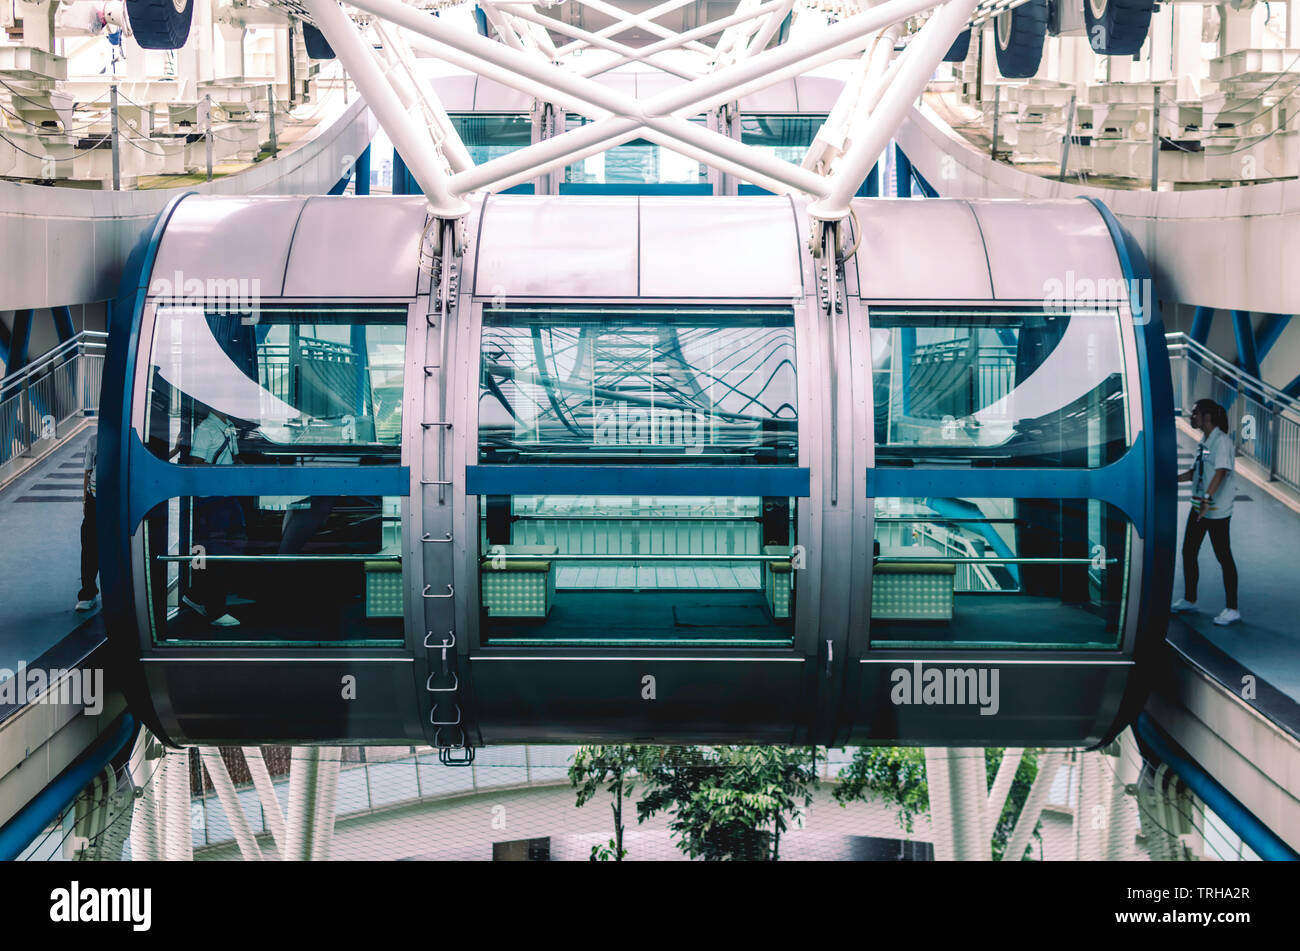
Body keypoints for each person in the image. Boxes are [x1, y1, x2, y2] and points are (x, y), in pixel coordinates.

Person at [1172, 398, 1241, 625]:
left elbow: (1221, 472)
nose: (1191, 417)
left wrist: (1207, 500)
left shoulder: (1222, 442)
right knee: (1188, 552)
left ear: (1207, 416)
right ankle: (1190, 600)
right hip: (1199, 506)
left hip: (1216, 510)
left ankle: (1232, 609)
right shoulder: (1204, 441)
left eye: (1195, 413)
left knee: (1223, 556)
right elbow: (1195, 472)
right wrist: (1171, 479)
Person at [182, 409, 244, 627]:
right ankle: (215, 609)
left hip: (226, 495)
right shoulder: (205, 429)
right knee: (217, 552)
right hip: (211, 500)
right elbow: (196, 463)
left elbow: (233, 459)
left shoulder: (229, 427)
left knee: (233, 546)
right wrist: (223, 474)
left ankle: (197, 595)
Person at [75, 432, 99, 612]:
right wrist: (85, 500)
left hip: (116, 499)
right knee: (89, 545)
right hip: (94, 499)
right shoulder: (93, 440)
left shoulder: (126, 438)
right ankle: (88, 592)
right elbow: (87, 471)